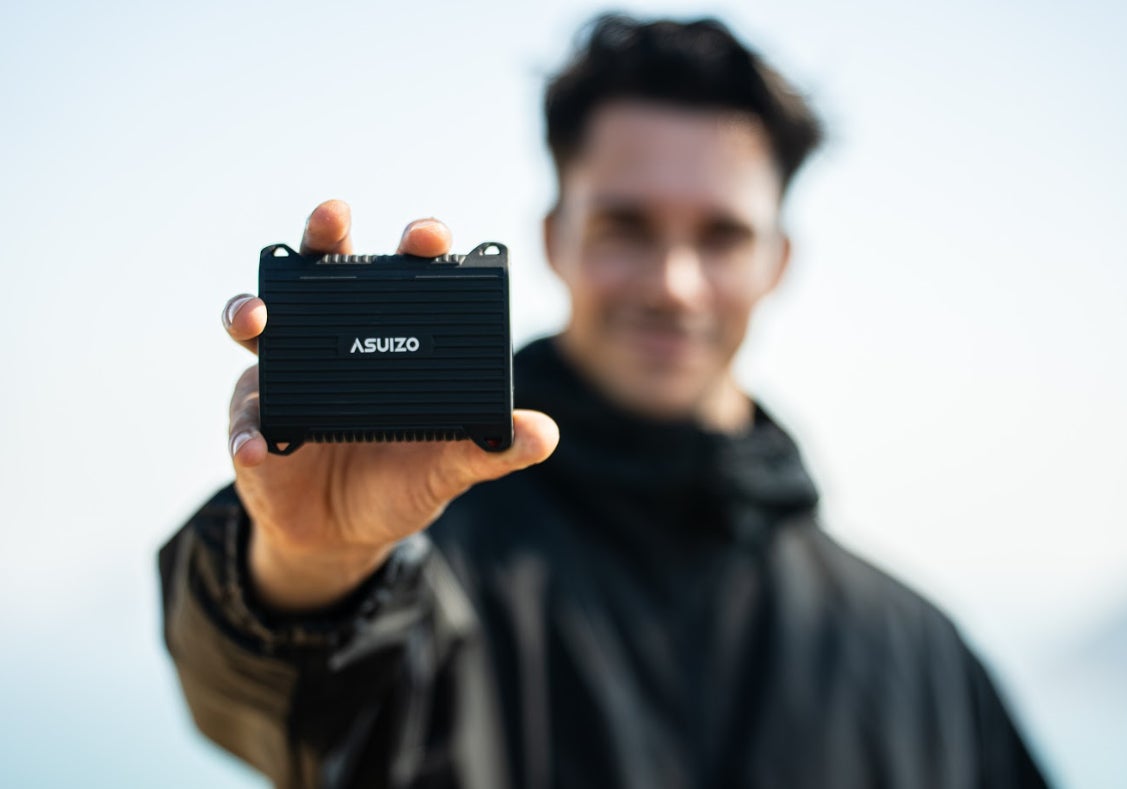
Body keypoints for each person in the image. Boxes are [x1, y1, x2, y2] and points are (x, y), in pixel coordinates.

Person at [159, 14, 1050, 789]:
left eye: (721, 236)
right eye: (626, 227)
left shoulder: (918, 655)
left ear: (776, 260)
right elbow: (272, 706)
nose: (672, 284)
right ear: (556, 239)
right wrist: (313, 565)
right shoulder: (418, 560)